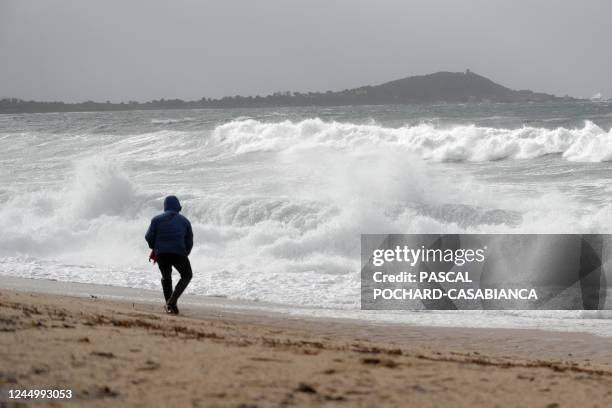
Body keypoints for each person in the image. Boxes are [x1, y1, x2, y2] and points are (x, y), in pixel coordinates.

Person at [145, 195, 193, 314]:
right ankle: (172, 301)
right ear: (178, 207)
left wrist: (155, 248)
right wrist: (185, 252)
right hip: (179, 253)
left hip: (161, 254)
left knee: (166, 277)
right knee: (187, 275)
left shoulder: (156, 219)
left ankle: (170, 305)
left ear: (165, 206)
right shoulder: (185, 221)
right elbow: (190, 240)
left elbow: (148, 236)